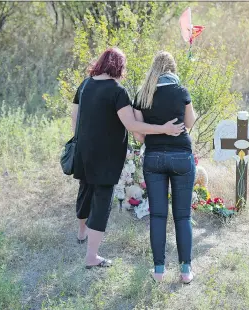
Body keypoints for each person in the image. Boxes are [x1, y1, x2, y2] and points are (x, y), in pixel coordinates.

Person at [71, 47, 185, 268]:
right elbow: (132, 125)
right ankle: (91, 256)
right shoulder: (117, 91)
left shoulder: (85, 85)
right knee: (102, 201)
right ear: (118, 67)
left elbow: (74, 117)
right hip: (106, 155)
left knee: (85, 190)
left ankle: (81, 231)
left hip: (83, 151)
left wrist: (81, 139)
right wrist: (163, 128)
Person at [132, 51, 197, 283]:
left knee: (158, 215)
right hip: (181, 157)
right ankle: (185, 271)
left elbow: (139, 136)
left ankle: (159, 271)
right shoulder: (181, 92)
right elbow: (189, 123)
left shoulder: (142, 95)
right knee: (182, 216)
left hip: (154, 158)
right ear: (172, 69)